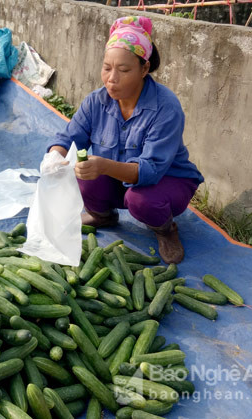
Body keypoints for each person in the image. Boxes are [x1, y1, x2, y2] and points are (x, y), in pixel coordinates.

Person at [46, 16, 204, 264]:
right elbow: (69, 136)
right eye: (107, 68)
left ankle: (165, 230)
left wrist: (103, 166)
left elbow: (150, 171)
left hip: (167, 181)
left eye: (124, 70)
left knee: (141, 199)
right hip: (119, 178)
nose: (112, 78)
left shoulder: (166, 107)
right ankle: (102, 216)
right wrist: (55, 154)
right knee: (82, 174)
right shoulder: (96, 101)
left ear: (144, 69)